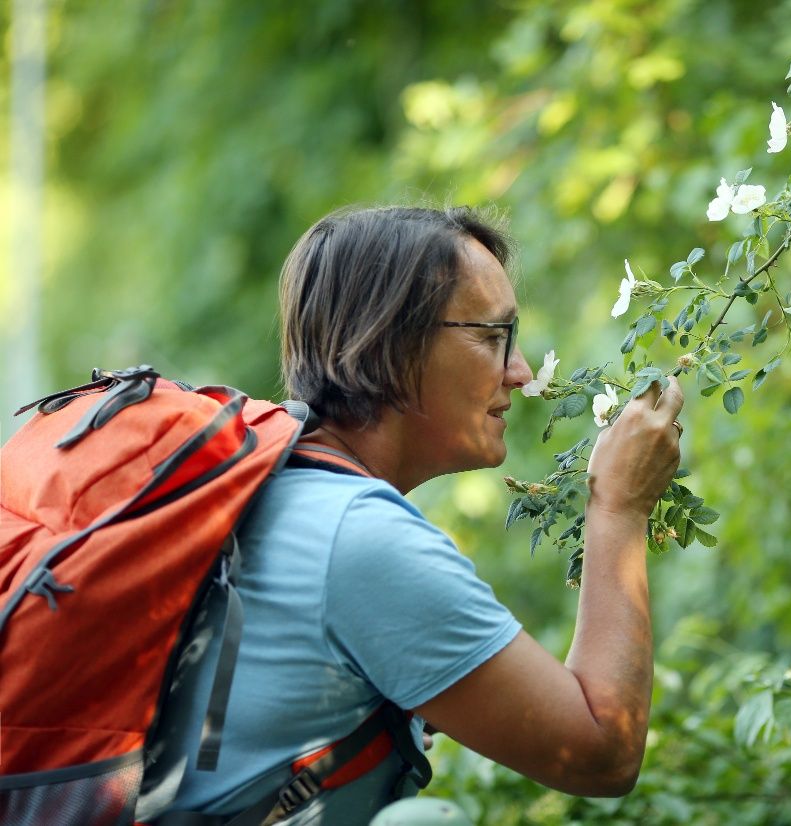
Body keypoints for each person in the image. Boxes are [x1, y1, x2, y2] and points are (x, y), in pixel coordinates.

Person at [145, 205, 685, 824]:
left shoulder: (281, 495)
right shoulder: (360, 538)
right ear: (395, 344)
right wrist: (618, 506)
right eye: (493, 336)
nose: (520, 372)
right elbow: (602, 754)